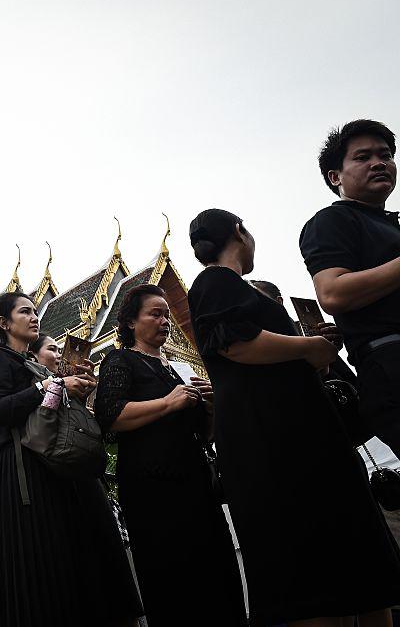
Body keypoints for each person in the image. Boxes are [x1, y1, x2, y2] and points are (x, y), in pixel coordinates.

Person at [188, 208, 400, 626]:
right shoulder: (215, 281)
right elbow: (232, 343)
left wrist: (311, 349)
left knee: (357, 564)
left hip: (304, 431)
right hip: (270, 442)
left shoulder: (240, 289)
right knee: (307, 572)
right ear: (239, 231)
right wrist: (304, 349)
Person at [0, 294, 142, 627]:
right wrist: (51, 385)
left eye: (34, 311)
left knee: (67, 563)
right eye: (24, 312)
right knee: (38, 569)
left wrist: (67, 388)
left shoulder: (28, 362)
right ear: (4, 323)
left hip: (49, 467)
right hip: (24, 469)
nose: (34, 316)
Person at [94, 284, 246, 625]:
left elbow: (204, 433)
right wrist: (167, 403)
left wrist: (211, 406)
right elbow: (110, 417)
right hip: (153, 485)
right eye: (155, 314)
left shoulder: (178, 366)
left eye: (166, 314)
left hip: (195, 478)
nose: (165, 321)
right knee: (173, 575)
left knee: (215, 568)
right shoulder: (121, 360)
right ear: (131, 322)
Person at [299, 120, 400, 455]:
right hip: (389, 360)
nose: (379, 162)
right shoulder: (332, 221)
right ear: (335, 176)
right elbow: (333, 293)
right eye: (362, 157)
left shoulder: (390, 225)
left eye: (385, 155)